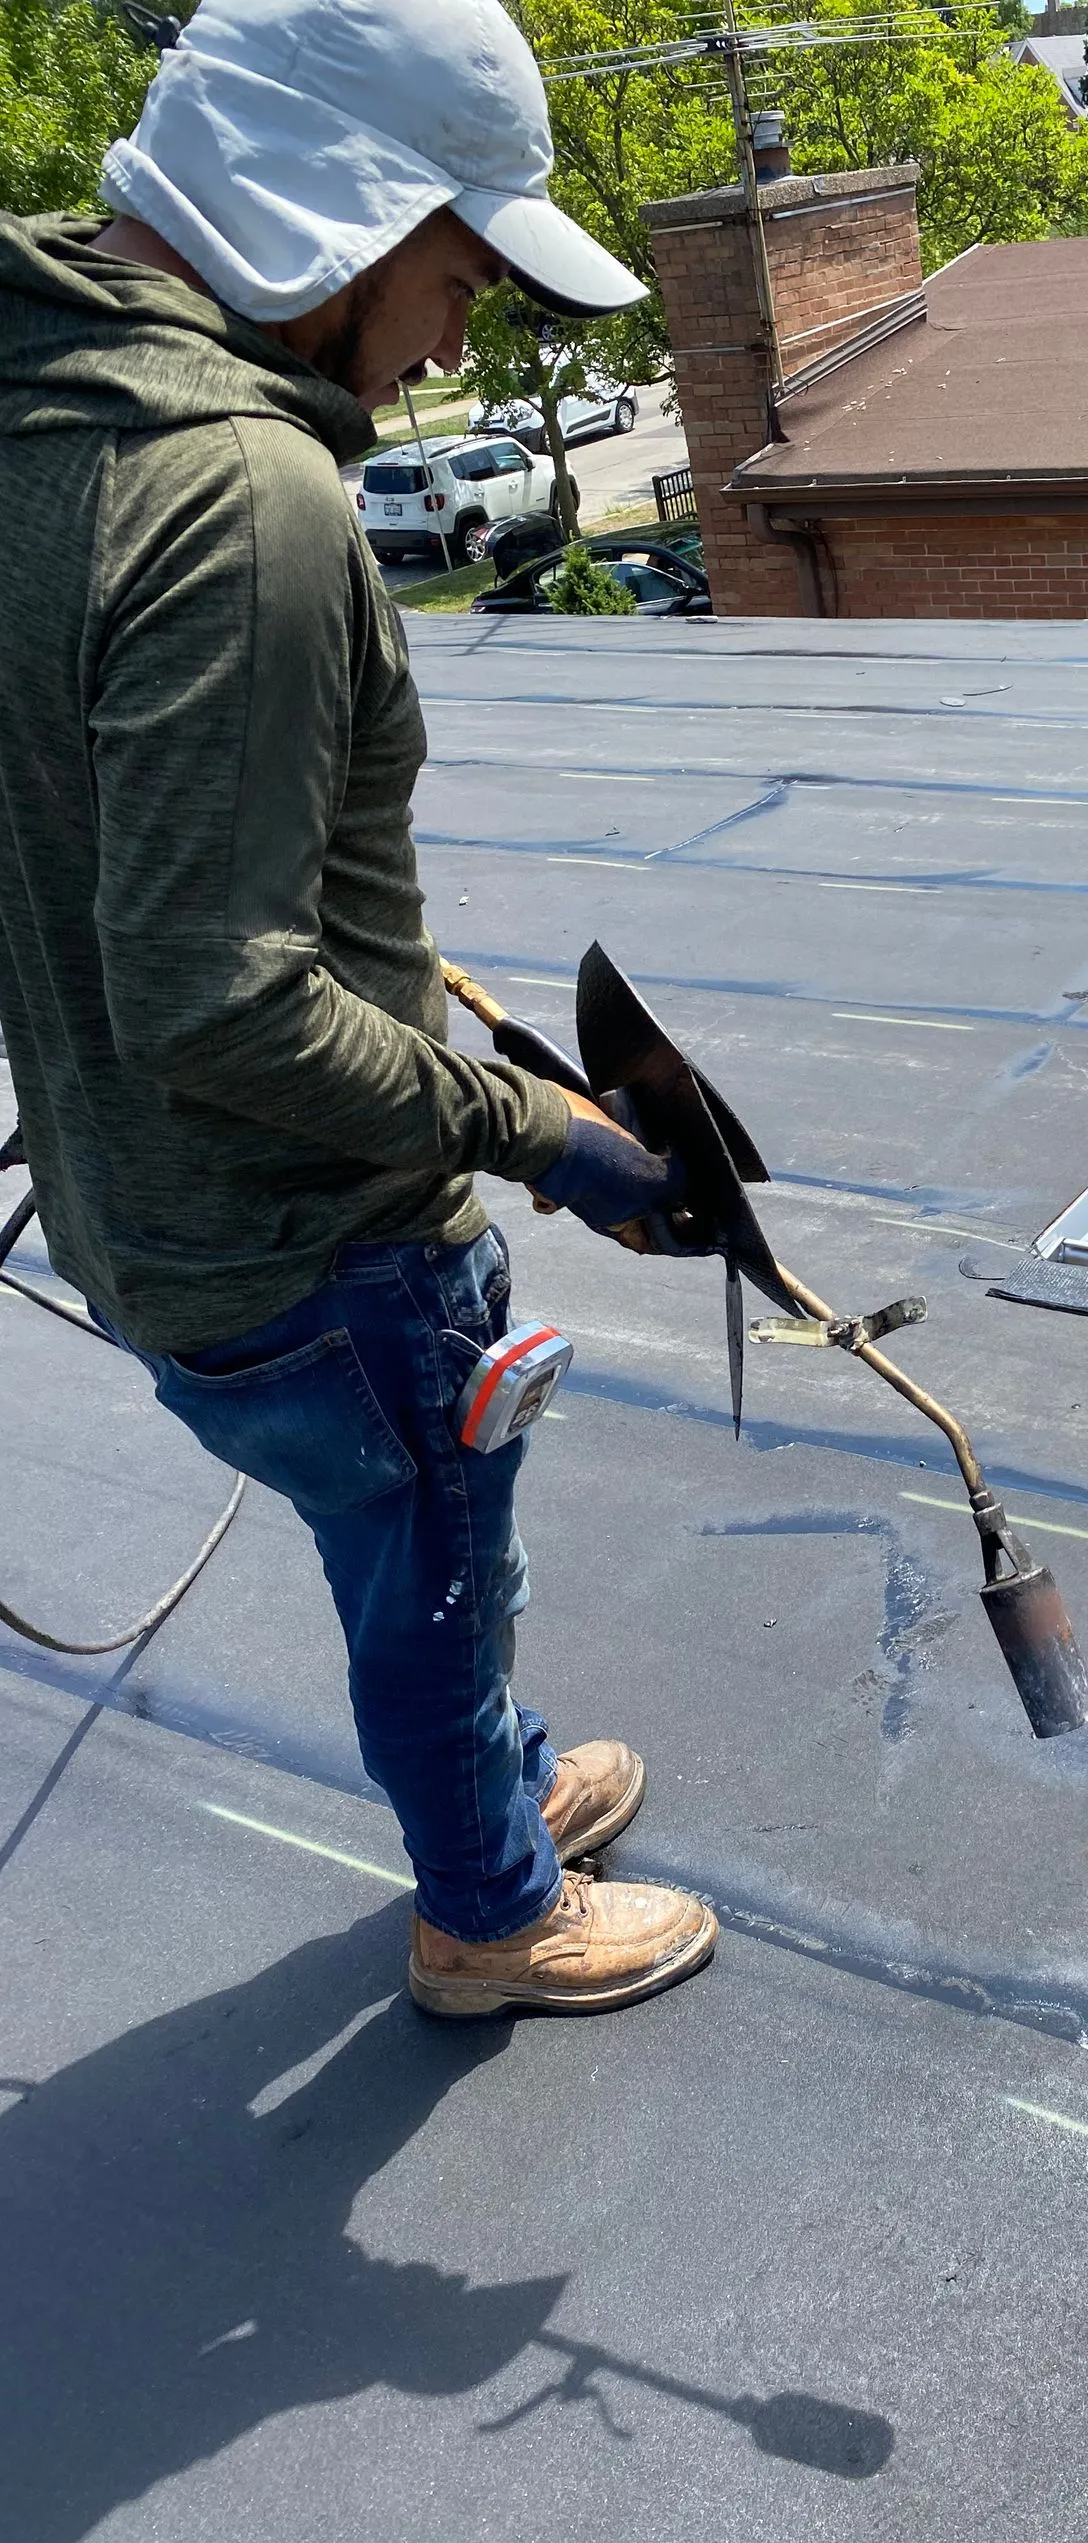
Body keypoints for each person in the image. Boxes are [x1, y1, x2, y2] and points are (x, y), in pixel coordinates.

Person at [0, 0, 718, 2017]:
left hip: (144, 1219)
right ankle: (489, 1911)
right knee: (431, 1566)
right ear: (343, 215)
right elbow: (220, 1005)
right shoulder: (247, 502)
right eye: (459, 274)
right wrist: (539, 1132)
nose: (461, 346)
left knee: (405, 1546)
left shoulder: (43, 405)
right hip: (313, 1237)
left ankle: (489, 1790)